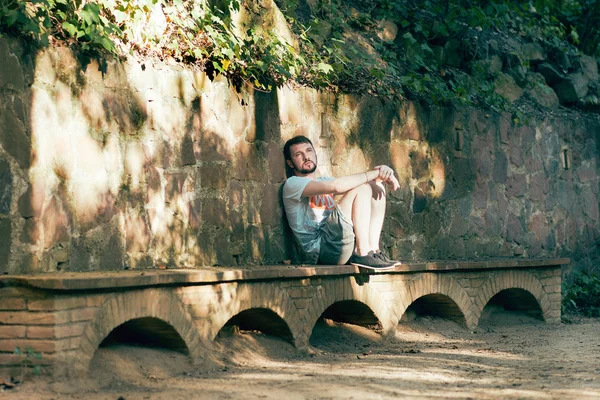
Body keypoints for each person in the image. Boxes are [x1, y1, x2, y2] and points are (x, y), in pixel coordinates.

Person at [282, 135, 401, 269]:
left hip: (338, 243)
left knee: (377, 186)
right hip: (320, 251)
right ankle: (362, 253)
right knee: (362, 188)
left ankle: (373, 251)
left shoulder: (324, 180)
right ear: (291, 163)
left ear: (315, 154)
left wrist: (383, 173)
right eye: (298, 154)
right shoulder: (292, 184)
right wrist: (376, 173)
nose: (306, 157)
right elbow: (337, 185)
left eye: (309, 151)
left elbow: (357, 184)